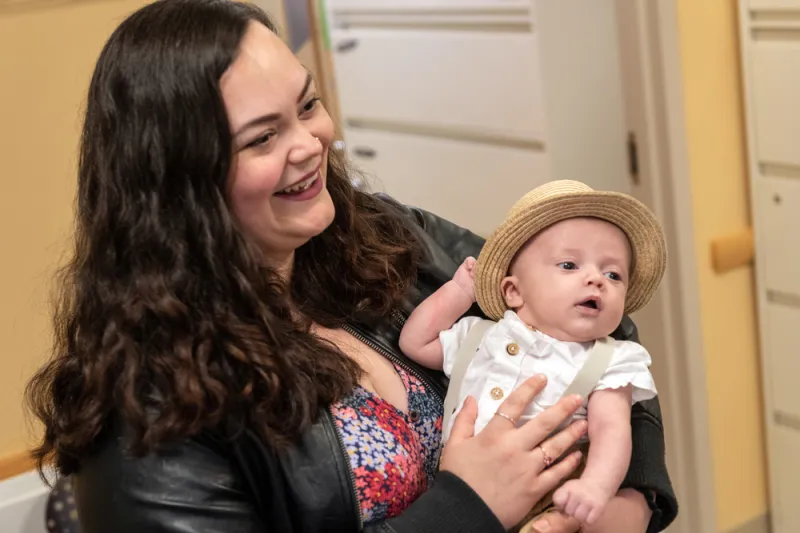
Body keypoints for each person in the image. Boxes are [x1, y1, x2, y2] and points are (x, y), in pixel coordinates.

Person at [24, 1, 678, 532]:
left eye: (307, 106)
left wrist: (624, 508)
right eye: (263, 137)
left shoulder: (381, 236)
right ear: (181, 181)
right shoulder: (149, 413)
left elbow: (601, 333)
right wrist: (469, 505)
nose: (310, 145)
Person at [399, 180, 666, 530]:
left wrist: (594, 488)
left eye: (613, 274)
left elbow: (612, 431)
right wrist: (459, 292)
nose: (596, 279)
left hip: (551, 492)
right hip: (458, 495)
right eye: (569, 265)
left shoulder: (610, 360)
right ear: (513, 291)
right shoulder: (480, 335)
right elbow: (415, 344)